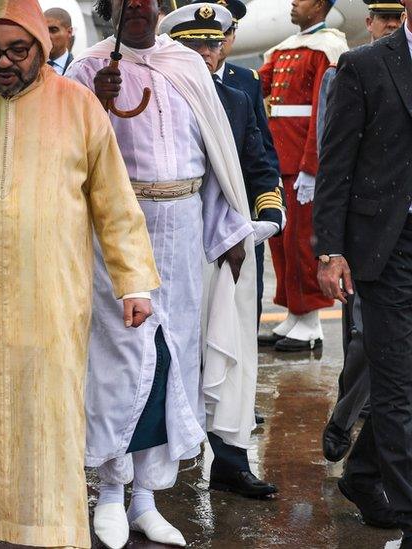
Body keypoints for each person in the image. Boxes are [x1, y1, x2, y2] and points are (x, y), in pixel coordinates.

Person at [0, 1, 161, 547]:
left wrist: (133, 281)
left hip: (53, 297)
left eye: (17, 50)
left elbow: (115, 204)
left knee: (47, 413)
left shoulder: (79, 107)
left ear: (42, 45)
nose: (3, 62)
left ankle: (47, 532)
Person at [69, 0, 259, 545]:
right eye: (128, 2)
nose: (140, 9)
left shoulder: (187, 64)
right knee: (121, 360)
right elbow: (75, 156)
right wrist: (94, 106)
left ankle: (147, 499)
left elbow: (217, 150)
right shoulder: (89, 67)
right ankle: (109, 490)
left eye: (149, 1)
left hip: (184, 226)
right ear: (112, 10)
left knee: (171, 359)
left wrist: (229, 230)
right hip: (118, 232)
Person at [162, 2, 283, 501]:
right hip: (171, 244)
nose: (207, 54)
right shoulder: (155, 95)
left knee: (232, 355)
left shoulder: (237, 94)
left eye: (213, 44)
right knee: (168, 353)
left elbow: (260, 159)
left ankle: (230, 462)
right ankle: (154, 467)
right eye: (195, 45)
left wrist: (270, 213)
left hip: (229, 246)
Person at [314, 2, 412, 540]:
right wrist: (330, 248)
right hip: (386, 246)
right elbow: (336, 161)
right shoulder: (365, 65)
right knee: (397, 384)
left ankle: (365, 472)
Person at [256, 0, 348, 352]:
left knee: (302, 242)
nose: (294, 2)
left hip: (302, 162)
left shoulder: (326, 49)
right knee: (281, 243)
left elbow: (322, 115)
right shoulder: (285, 49)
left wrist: (313, 167)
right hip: (280, 157)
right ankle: (295, 313)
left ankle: (311, 322)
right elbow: (257, 87)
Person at [212, 0, 283, 324]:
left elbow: (261, 150)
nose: (218, 42)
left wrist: (268, 202)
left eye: (226, 33)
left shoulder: (247, 80)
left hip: (240, 207)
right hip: (199, 209)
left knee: (243, 305)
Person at [45, 7, 74, 75]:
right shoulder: (29, 67)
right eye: (44, 30)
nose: (47, 36)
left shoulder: (78, 70)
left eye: (53, 30)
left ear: (69, 32)